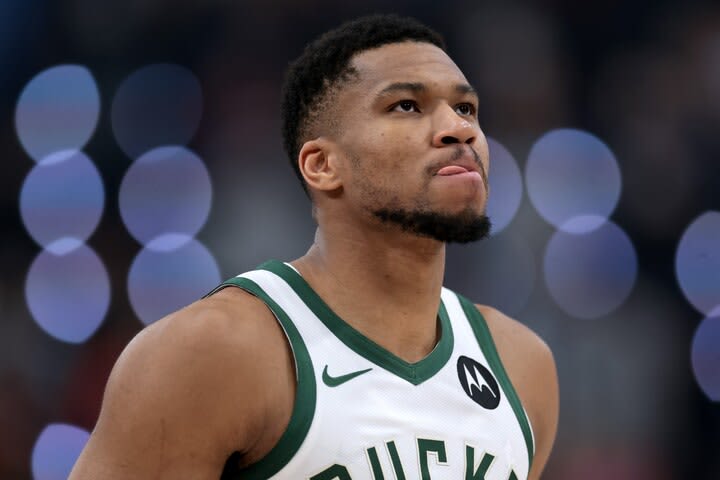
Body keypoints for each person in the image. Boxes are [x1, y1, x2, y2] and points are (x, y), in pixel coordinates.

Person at [69, 14, 558, 480]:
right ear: (322, 165)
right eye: (406, 106)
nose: (460, 129)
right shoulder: (215, 350)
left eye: (466, 108)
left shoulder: (521, 365)